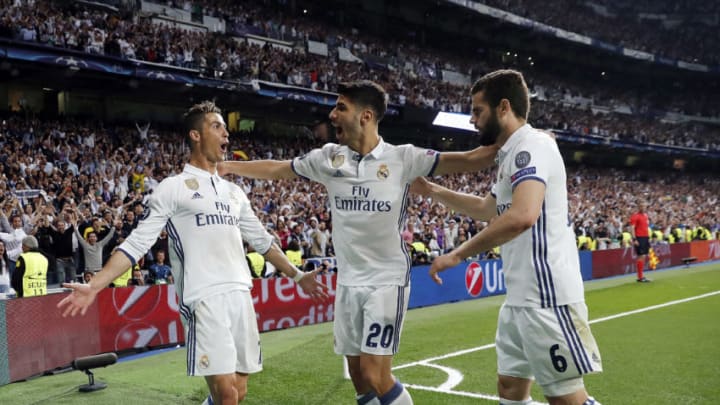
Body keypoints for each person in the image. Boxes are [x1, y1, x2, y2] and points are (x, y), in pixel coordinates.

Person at [218, 80, 498, 405]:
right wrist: (230, 167)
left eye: (341, 107)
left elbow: (469, 159)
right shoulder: (328, 159)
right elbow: (280, 169)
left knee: (377, 374)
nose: (332, 114)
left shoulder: (403, 158)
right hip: (349, 282)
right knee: (359, 378)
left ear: (365, 116)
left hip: (386, 279)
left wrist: (514, 139)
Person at [58, 101, 329, 405]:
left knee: (238, 391)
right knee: (226, 394)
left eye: (225, 126)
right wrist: (96, 284)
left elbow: (263, 241)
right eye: (217, 126)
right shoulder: (172, 188)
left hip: (240, 293)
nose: (226, 132)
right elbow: (138, 242)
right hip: (203, 297)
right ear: (196, 135)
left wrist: (297, 275)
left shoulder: (234, 192)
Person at [412, 70, 602, 405]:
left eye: (477, 111)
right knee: (510, 389)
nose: (472, 120)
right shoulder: (509, 154)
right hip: (520, 298)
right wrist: (432, 190)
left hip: (548, 298)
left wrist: (458, 254)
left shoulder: (533, 146)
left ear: (503, 108)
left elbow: (522, 216)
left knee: (566, 399)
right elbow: (490, 209)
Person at [629, 202, 651, 282]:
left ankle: (641, 276)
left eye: (644, 206)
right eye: (641, 206)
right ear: (638, 207)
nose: (643, 207)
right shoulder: (635, 216)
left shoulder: (645, 216)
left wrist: (648, 237)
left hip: (645, 238)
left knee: (643, 256)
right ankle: (640, 277)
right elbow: (632, 228)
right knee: (641, 256)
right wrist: (634, 239)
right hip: (639, 238)